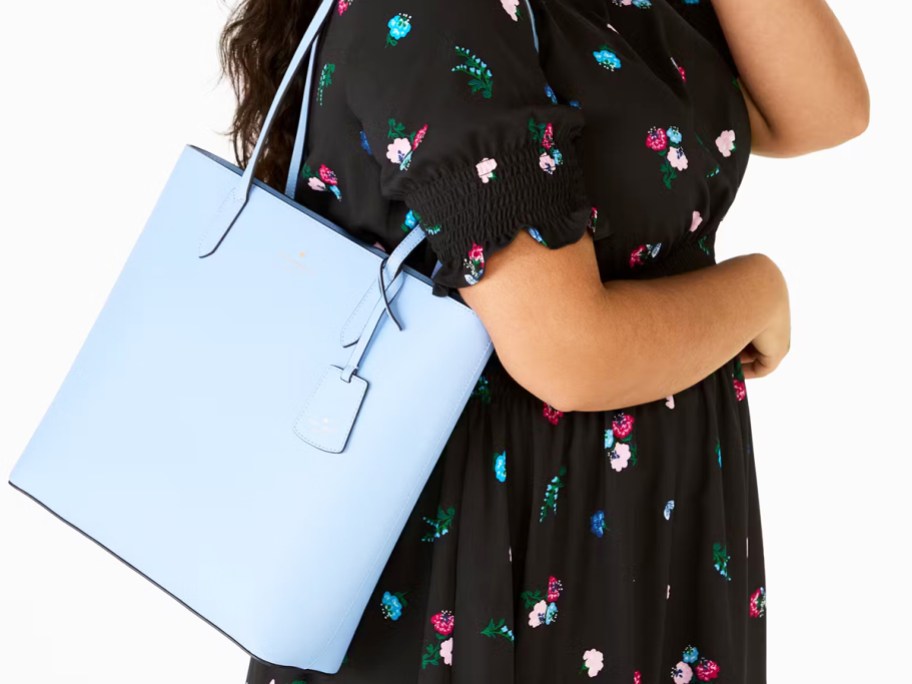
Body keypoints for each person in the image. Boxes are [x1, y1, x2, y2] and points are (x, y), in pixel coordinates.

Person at [219, 0, 869, 681]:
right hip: (499, 563)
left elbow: (823, 109)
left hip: (644, 536)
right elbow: (568, 353)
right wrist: (758, 291)